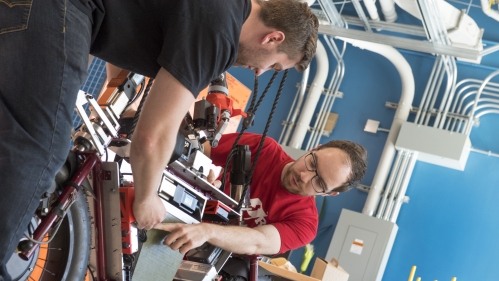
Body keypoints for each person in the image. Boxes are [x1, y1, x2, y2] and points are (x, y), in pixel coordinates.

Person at [0, 0, 318, 279]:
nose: (261, 71)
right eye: (274, 64)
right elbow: (152, 137)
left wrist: (115, 78)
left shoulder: (224, 10)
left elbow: (132, 16)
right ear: (273, 37)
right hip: (57, 9)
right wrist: (147, 197)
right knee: (42, 148)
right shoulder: (220, 35)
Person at [154, 132, 367, 257]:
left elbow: (258, 241)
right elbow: (198, 149)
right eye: (312, 162)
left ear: (331, 194)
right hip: (168, 212)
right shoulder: (262, 148)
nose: (304, 176)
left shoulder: (305, 223)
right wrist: (200, 174)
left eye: (319, 182)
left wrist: (207, 232)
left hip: (203, 256)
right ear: (315, 147)